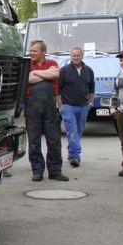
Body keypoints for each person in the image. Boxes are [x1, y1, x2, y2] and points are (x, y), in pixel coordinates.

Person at [25, 39, 69, 182]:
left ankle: (55, 171)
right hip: (32, 107)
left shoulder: (52, 64)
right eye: (31, 50)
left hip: (50, 107)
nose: (31, 53)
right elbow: (27, 79)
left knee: (54, 140)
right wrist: (45, 74)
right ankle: (37, 171)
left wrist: (36, 73)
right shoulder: (27, 65)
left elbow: (55, 74)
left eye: (35, 50)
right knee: (34, 141)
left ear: (43, 52)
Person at [57, 47, 95, 167]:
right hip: (68, 106)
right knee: (72, 131)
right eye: (74, 55)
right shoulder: (63, 71)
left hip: (83, 106)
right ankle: (75, 156)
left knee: (78, 131)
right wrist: (60, 105)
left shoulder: (88, 70)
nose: (76, 57)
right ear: (70, 57)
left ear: (82, 56)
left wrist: (90, 102)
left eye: (78, 55)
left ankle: (71, 151)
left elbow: (92, 88)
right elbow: (57, 89)